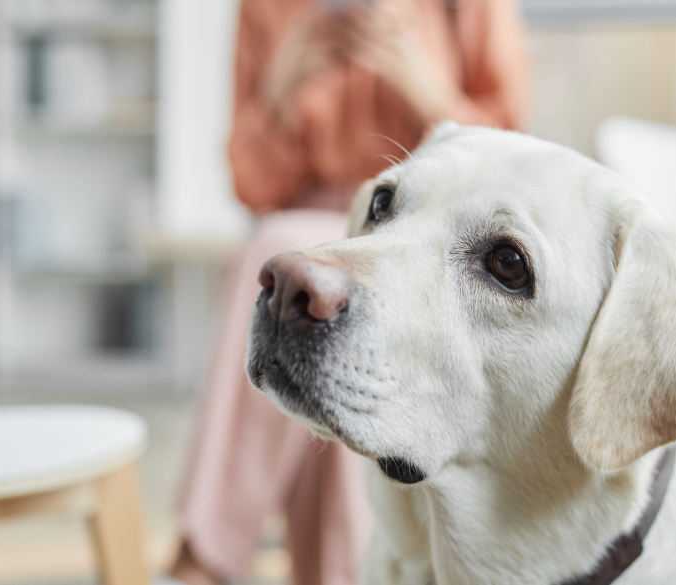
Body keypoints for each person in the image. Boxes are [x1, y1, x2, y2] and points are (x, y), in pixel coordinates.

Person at [169, 1, 529, 584]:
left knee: (301, 270)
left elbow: (515, 164)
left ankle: (204, 559)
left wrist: (427, 92)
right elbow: (251, 186)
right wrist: (283, 89)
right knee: (297, 268)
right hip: (304, 217)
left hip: (421, 236)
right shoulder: (265, 9)